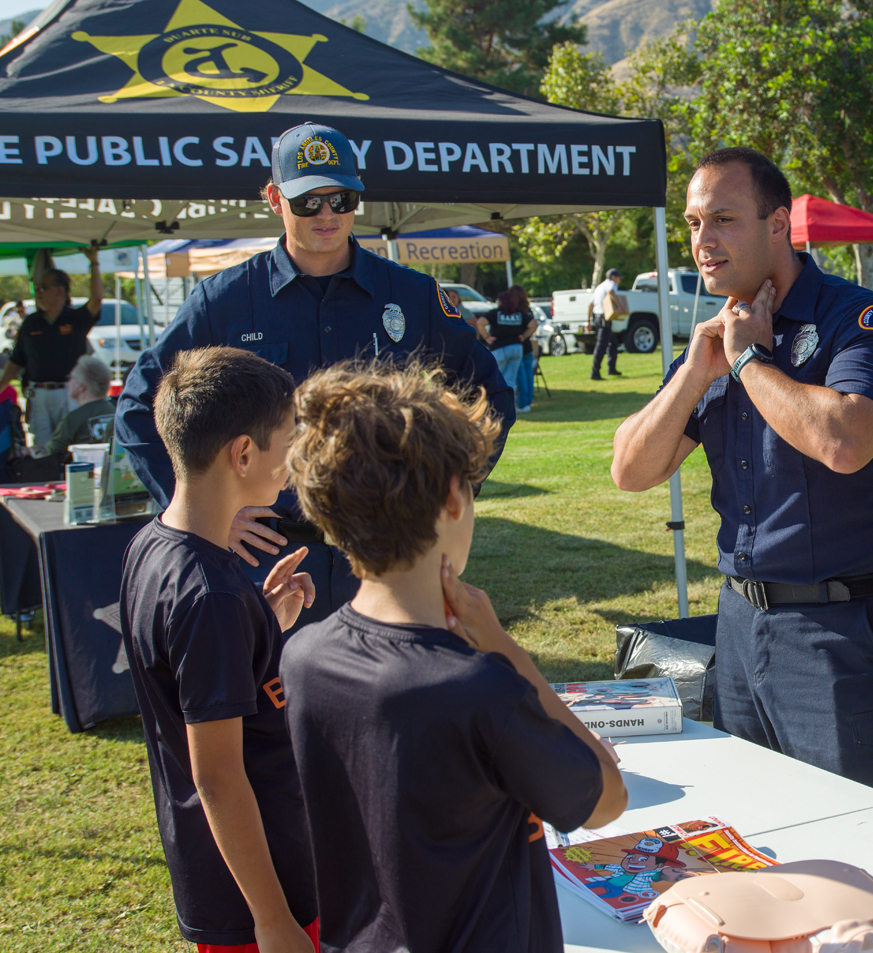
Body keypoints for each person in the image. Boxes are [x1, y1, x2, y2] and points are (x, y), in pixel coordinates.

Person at [280, 363, 627, 953]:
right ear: (450, 499)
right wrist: (508, 651)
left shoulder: (305, 655)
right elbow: (604, 797)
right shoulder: (475, 686)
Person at [115, 121, 514, 630]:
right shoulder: (226, 301)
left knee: (388, 704)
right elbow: (136, 410)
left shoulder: (412, 297)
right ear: (274, 198)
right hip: (268, 560)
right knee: (267, 705)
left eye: (341, 198)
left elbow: (490, 396)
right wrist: (201, 511)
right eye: (308, 201)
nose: (327, 214)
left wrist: (447, 495)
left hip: (384, 554)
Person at [611, 146, 873, 798]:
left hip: (838, 631)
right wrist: (697, 370)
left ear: (777, 225)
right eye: (693, 224)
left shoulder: (856, 320)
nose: (703, 240)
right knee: (756, 822)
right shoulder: (718, 334)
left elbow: (846, 442)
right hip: (740, 624)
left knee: (851, 831)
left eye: (723, 219)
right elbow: (630, 470)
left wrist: (751, 363)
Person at [119, 347, 329, 953]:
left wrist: (266, 623)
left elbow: (195, 675)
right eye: (287, 443)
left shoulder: (159, 546)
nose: (293, 460)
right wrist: (269, 921)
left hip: (270, 859)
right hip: (248, 883)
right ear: (243, 453)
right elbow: (218, 777)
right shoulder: (207, 596)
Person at [0, 249, 103, 450]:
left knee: (71, 445)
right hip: (39, 394)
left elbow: (97, 298)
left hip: (69, 391)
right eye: (37, 288)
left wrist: (94, 263)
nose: (37, 292)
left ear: (60, 291)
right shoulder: (31, 323)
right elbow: (17, 360)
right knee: (42, 447)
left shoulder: (75, 319)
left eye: (42, 288)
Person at [43, 354, 115, 457]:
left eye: (71, 378)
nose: (69, 382)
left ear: (82, 386)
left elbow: (53, 452)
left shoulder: (73, 419)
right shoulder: (114, 410)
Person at [476, 288, 535, 404]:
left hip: (499, 348)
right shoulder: (519, 314)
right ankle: (509, 406)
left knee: (494, 377)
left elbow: (480, 322)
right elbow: (534, 324)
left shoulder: (495, 313)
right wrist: (524, 336)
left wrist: (487, 337)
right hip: (517, 348)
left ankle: (493, 404)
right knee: (510, 379)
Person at [589, 267, 623, 380]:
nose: (619, 281)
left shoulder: (599, 286)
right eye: (619, 278)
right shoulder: (611, 284)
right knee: (601, 346)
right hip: (604, 318)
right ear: (613, 277)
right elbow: (611, 292)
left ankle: (611, 369)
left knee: (613, 342)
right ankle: (595, 373)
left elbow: (590, 305)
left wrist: (588, 321)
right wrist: (619, 306)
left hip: (597, 318)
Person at [513, 285, 539, 413]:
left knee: (522, 376)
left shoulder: (517, 311)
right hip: (528, 346)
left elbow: (534, 325)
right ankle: (527, 401)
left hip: (521, 346)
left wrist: (523, 336)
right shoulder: (528, 309)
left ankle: (522, 403)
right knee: (528, 375)